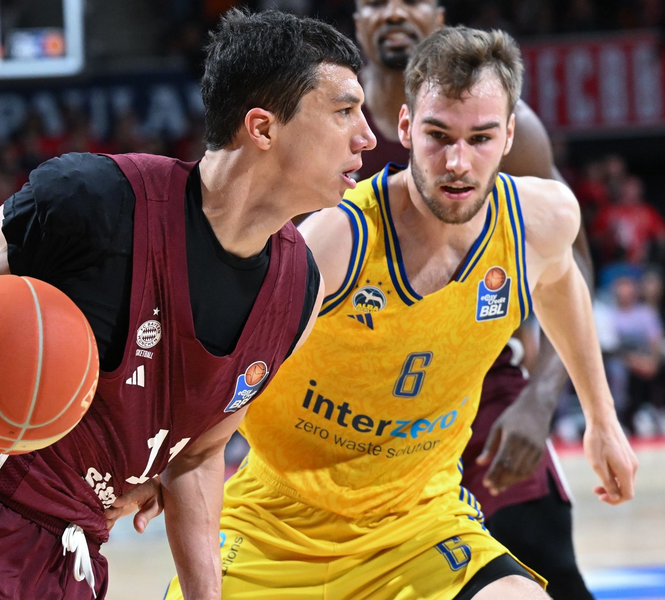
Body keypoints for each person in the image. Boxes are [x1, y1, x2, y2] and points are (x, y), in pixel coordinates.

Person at [0, 9, 376, 600]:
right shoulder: (95, 201)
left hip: (79, 556)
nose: (365, 134)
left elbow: (201, 455)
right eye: (344, 111)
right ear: (262, 127)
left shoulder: (299, 290)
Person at [163, 26, 637, 600]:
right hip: (276, 525)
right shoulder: (335, 243)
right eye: (439, 135)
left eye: (481, 138)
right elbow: (219, 388)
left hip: (418, 523)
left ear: (509, 136)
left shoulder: (541, 222)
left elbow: (562, 284)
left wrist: (602, 418)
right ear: (407, 126)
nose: (458, 162)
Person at [353, 1, 596, 596]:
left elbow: (572, 264)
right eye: (376, 1)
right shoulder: (331, 119)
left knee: (550, 575)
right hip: (360, 405)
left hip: (486, 391)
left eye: (410, 0)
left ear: (438, 13)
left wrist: (540, 400)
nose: (393, 13)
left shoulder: (511, 129)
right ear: (357, 16)